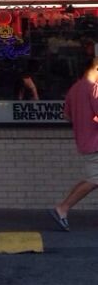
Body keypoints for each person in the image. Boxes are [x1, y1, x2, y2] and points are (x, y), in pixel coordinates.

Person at [49, 56, 98, 230]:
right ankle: (62, 208)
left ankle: (62, 208)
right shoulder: (95, 88)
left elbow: (67, 116)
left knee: (92, 178)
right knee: (94, 179)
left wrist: (85, 119)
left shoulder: (75, 88)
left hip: (85, 141)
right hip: (96, 142)